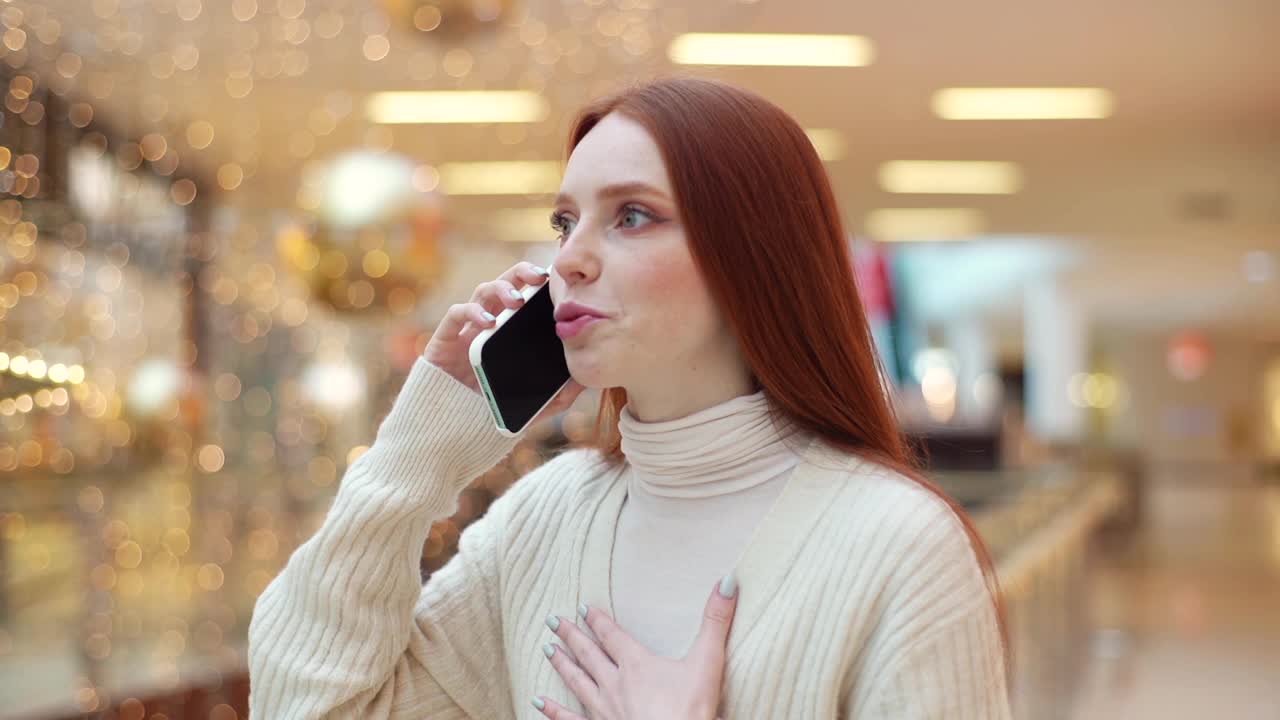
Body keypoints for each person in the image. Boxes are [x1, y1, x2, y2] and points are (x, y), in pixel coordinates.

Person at [248, 76, 1011, 719]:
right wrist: (417, 453)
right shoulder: (545, 520)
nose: (570, 257)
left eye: (632, 215)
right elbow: (305, 705)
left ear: (752, 258)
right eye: (565, 220)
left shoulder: (900, 547)